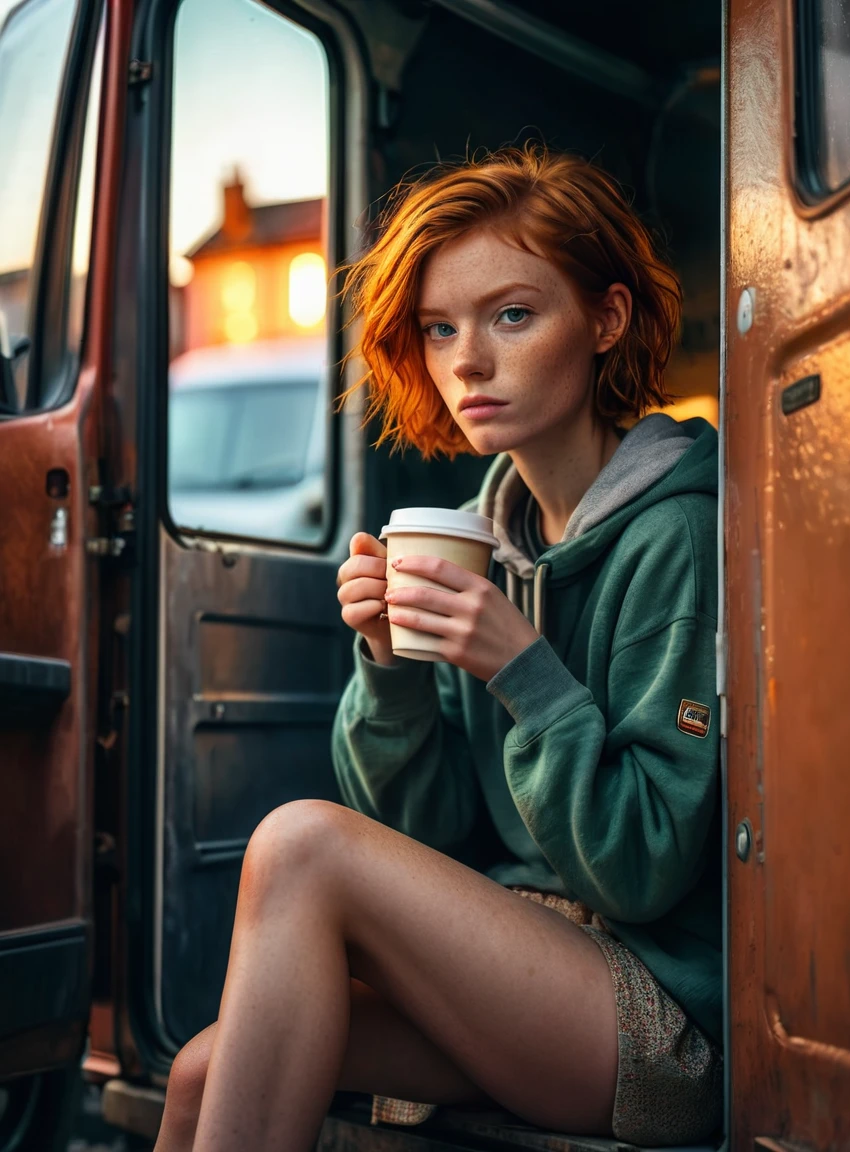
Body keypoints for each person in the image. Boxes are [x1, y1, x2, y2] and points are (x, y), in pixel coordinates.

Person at [154, 144, 722, 1152]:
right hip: (523, 965)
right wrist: (391, 671)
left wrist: (522, 671)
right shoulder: (478, 536)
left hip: (655, 1015)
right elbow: (420, 836)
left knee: (298, 842)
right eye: (437, 328)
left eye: (510, 315)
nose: (465, 360)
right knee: (199, 1075)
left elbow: (643, 870)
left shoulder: (673, 535)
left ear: (605, 318)